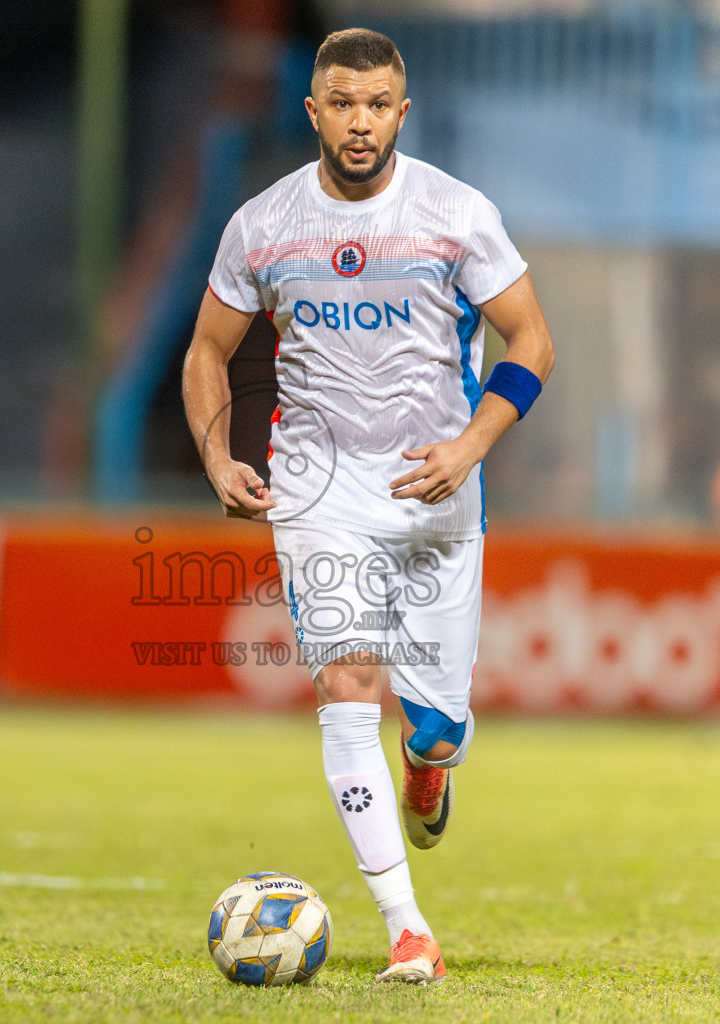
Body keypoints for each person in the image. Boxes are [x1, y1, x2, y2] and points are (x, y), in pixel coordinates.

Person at [181, 27, 555, 985]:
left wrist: (470, 446)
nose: (359, 122)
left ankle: (430, 765)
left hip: (436, 489)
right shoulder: (262, 224)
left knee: (432, 727)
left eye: (376, 104)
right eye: (341, 104)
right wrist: (218, 456)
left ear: (401, 112)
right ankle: (407, 928)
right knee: (347, 687)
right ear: (313, 111)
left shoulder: (456, 214)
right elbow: (206, 351)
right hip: (316, 488)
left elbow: (530, 342)